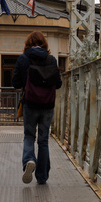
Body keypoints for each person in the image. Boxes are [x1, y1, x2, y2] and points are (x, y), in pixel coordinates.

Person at [12, 31, 62, 184]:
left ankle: (28, 160)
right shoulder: (51, 60)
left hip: (30, 103)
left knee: (29, 136)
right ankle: (42, 177)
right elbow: (58, 84)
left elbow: (16, 83)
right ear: (44, 43)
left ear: (28, 43)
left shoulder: (23, 58)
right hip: (47, 105)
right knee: (43, 140)